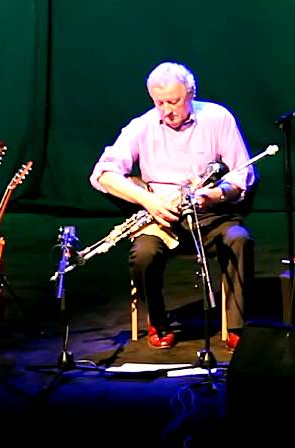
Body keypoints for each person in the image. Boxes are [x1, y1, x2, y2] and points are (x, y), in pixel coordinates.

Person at [90, 62, 258, 350]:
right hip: (163, 216)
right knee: (143, 254)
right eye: (159, 102)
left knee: (239, 241)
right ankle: (158, 320)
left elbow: (243, 173)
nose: (167, 110)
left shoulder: (218, 117)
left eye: (174, 101)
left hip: (211, 213)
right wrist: (149, 200)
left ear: (191, 93)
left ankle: (235, 324)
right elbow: (102, 174)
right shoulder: (141, 126)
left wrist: (216, 194)